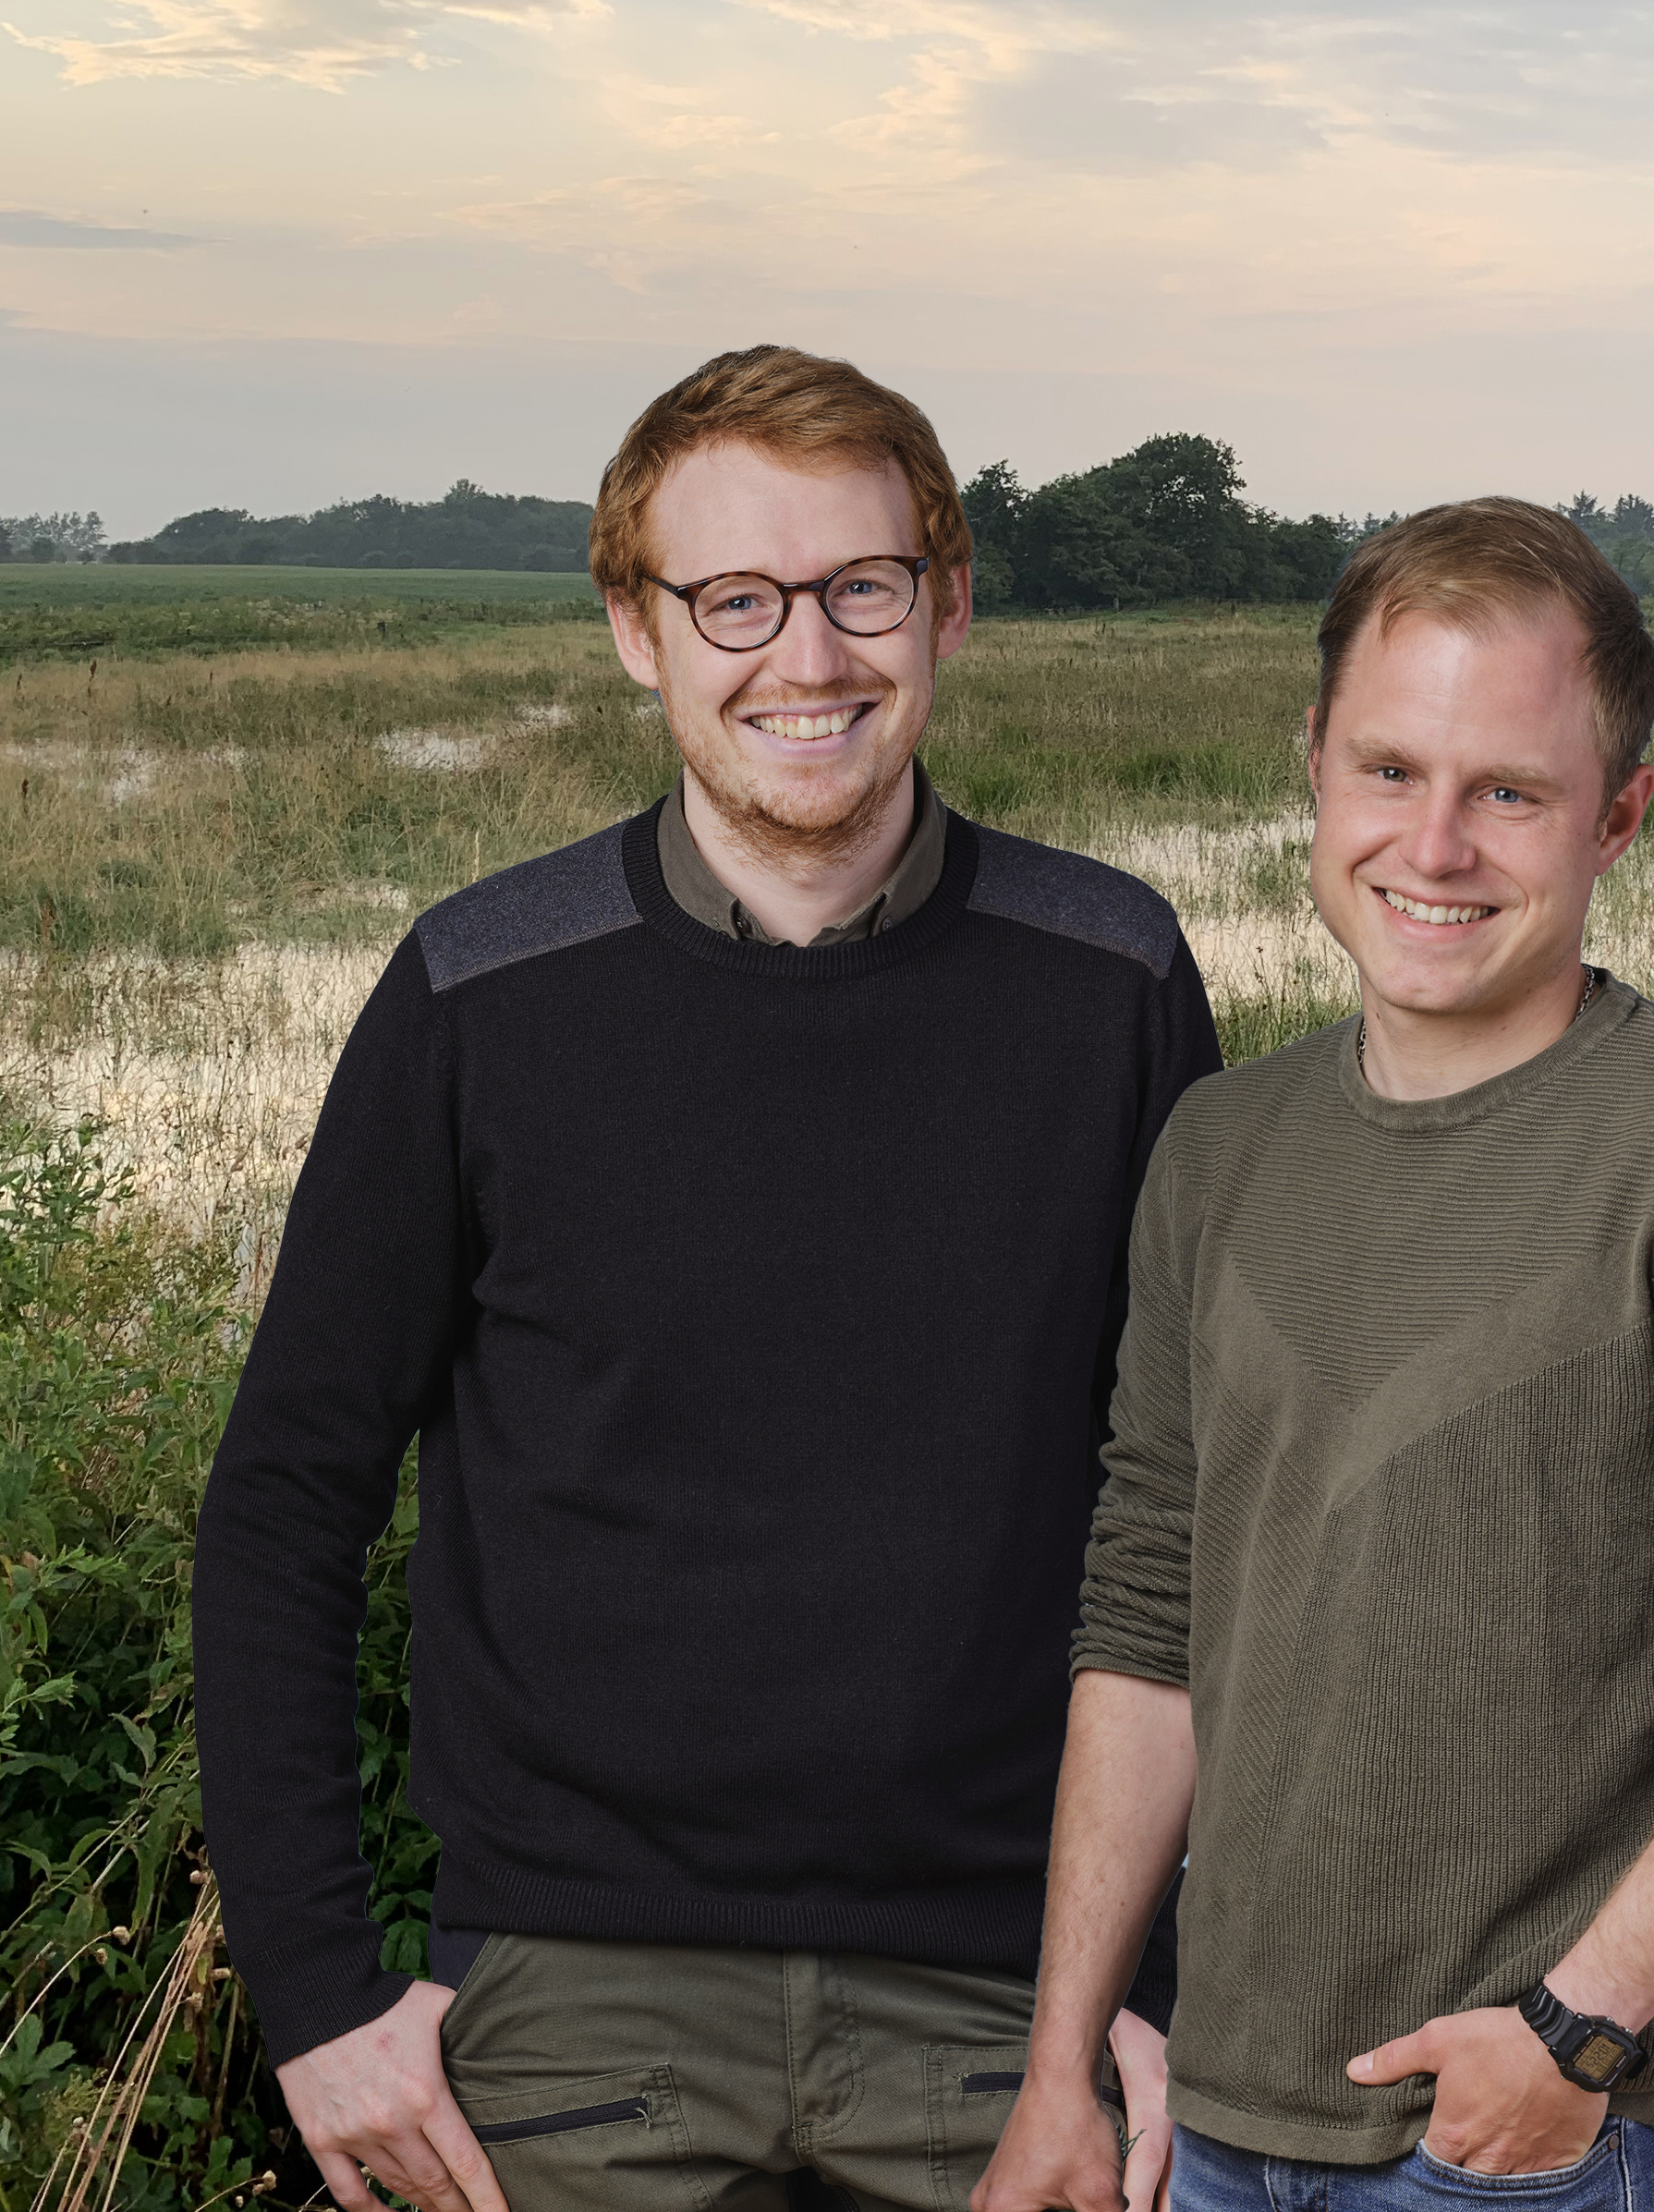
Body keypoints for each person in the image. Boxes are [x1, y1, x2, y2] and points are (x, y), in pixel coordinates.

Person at [192, 345, 1216, 2212]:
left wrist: (1159, 1984)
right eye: (734, 598)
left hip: (1010, 1999)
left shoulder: (1114, 983)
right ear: (634, 628)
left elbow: (1205, 1517)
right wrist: (319, 1994)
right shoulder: (476, 996)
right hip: (577, 2012)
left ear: (948, 606)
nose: (805, 658)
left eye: (861, 589)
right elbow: (284, 1504)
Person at [974, 498, 1654, 2212]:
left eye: (1509, 790)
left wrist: (1574, 2034)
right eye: (1390, 770)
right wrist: (1064, 2064)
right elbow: (1146, 1616)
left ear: (1618, 818)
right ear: (1319, 774)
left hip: (1528, 2140)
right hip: (1211, 2119)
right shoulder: (1219, 1146)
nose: (1434, 844)